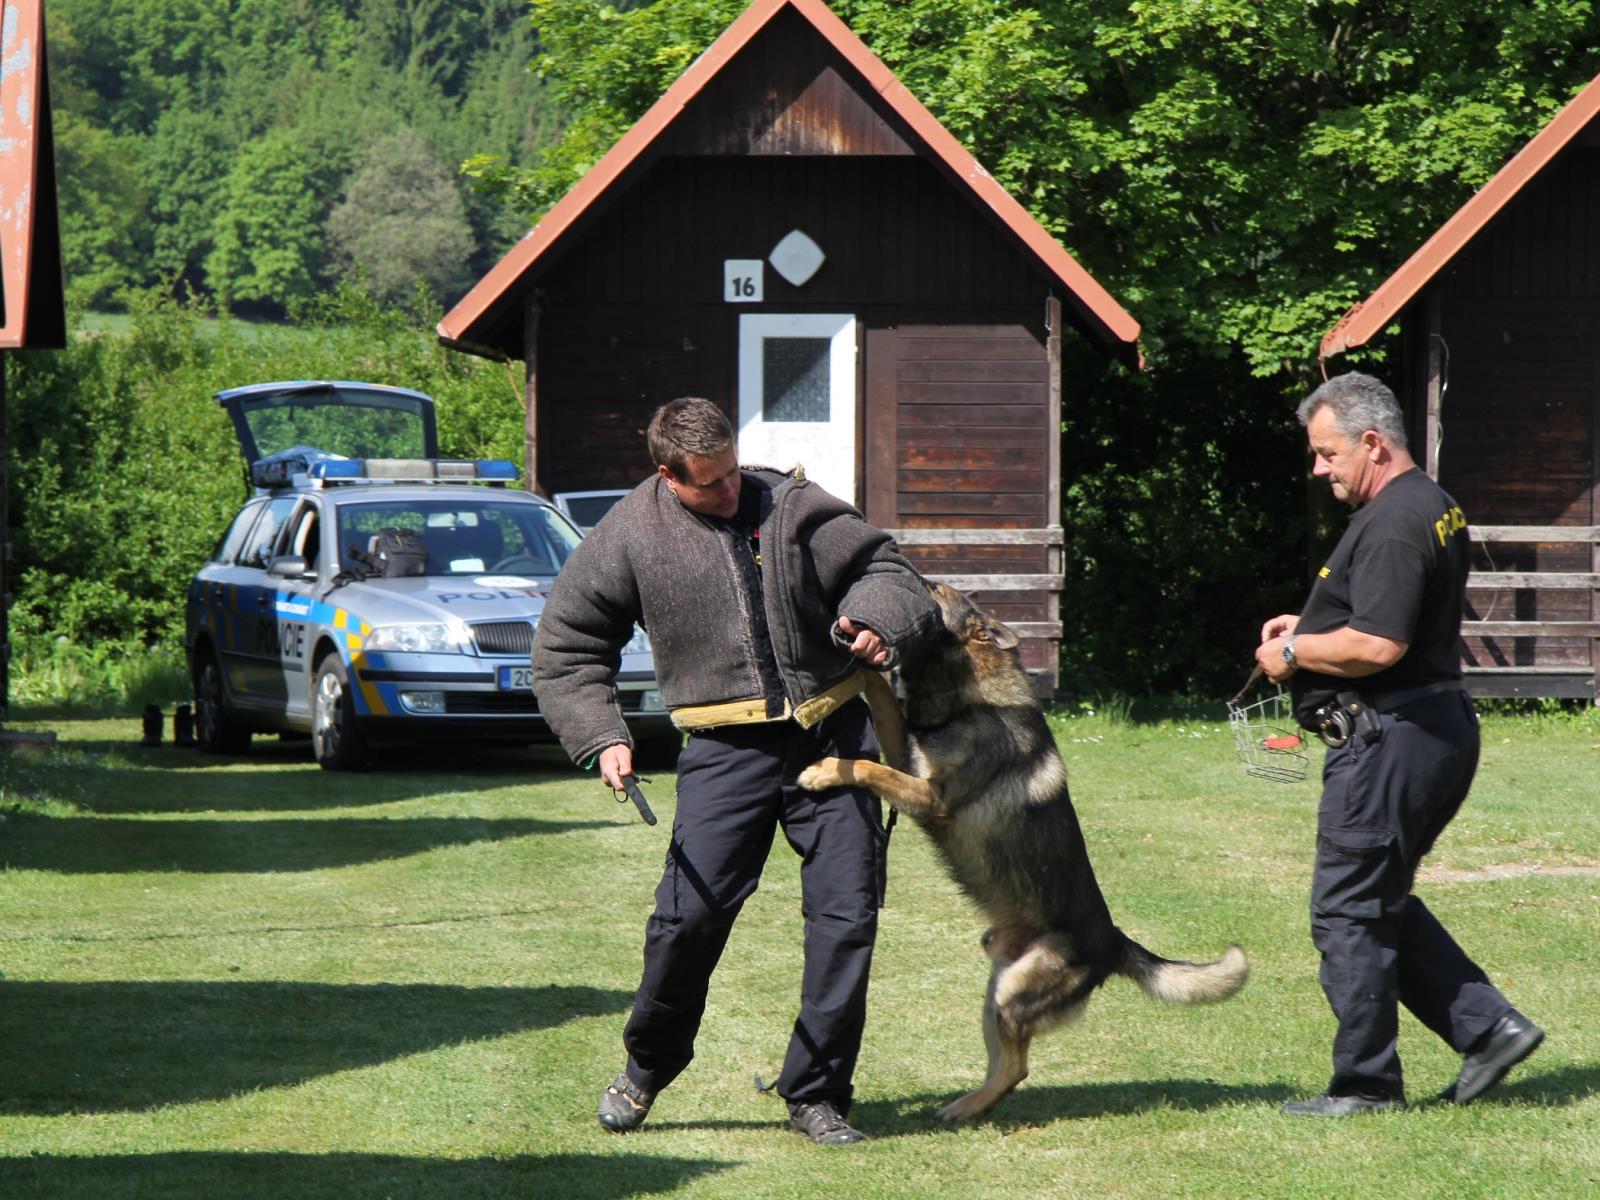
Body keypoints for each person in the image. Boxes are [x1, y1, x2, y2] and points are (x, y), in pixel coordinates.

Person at [532, 397, 938, 1145]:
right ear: (668, 475)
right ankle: (645, 1068)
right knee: (687, 921)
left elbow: (887, 569)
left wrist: (875, 617)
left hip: (833, 737)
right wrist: (601, 736)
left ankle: (816, 1095)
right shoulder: (628, 536)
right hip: (723, 753)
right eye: (709, 484)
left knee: (847, 919)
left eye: (731, 473)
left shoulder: (793, 505)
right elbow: (566, 646)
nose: (729, 493)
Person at [1255, 371, 1543, 1117]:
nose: (1320, 470)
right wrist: (1311, 629)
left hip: (1390, 738)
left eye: (1327, 454)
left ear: (1372, 443)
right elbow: (1387, 618)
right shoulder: (1431, 505)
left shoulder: (1390, 521)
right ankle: (1491, 1030)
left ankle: (1366, 1086)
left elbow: (1379, 644)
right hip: (1431, 729)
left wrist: (1292, 656)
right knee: (1376, 898)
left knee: (1347, 910)